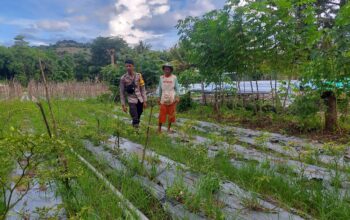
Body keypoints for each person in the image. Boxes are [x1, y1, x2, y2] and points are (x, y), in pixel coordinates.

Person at [120, 59, 147, 128]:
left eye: (130, 66)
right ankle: (136, 131)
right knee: (134, 116)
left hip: (140, 99)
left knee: (138, 115)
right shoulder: (123, 78)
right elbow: (122, 92)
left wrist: (144, 101)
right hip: (131, 99)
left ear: (133, 66)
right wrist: (123, 105)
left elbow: (143, 89)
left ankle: (135, 127)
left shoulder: (139, 76)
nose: (128, 68)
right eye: (126, 66)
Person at [158, 63, 180, 133]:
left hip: (172, 98)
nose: (167, 70)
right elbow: (160, 89)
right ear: (163, 70)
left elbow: (177, 88)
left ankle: (168, 129)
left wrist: (177, 96)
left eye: (168, 69)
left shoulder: (174, 78)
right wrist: (158, 97)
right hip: (163, 97)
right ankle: (159, 129)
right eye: (165, 69)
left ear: (171, 70)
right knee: (162, 114)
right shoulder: (161, 78)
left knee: (171, 114)